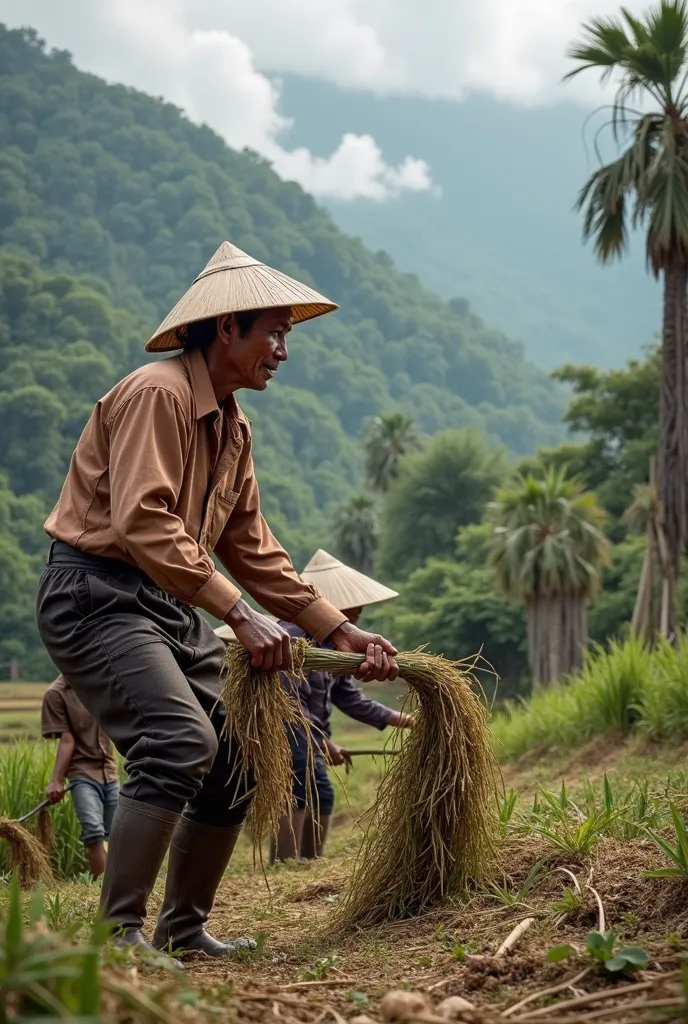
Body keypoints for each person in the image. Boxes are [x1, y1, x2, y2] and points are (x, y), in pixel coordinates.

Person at [35, 241, 399, 964]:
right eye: (275, 332)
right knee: (178, 743)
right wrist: (236, 614)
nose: (283, 352)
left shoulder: (233, 426)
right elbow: (144, 522)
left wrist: (337, 630)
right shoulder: (157, 393)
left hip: (167, 603)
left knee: (235, 759)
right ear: (227, 327)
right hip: (98, 596)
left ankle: (183, 928)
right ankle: (119, 941)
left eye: (288, 336)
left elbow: (253, 547)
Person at [270, 550, 413, 863]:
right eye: (353, 612)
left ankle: (303, 861)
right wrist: (324, 742)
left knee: (311, 791)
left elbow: (347, 695)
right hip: (285, 731)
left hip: (308, 732)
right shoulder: (293, 638)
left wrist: (399, 719)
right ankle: (289, 862)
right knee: (303, 792)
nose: (357, 617)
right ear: (331, 606)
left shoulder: (336, 644)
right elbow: (287, 703)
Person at [41, 674, 120, 879]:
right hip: (82, 772)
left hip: (109, 770)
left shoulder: (98, 682)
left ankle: (117, 885)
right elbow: (67, 740)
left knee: (117, 834)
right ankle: (102, 887)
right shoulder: (56, 694)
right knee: (93, 832)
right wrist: (56, 780)